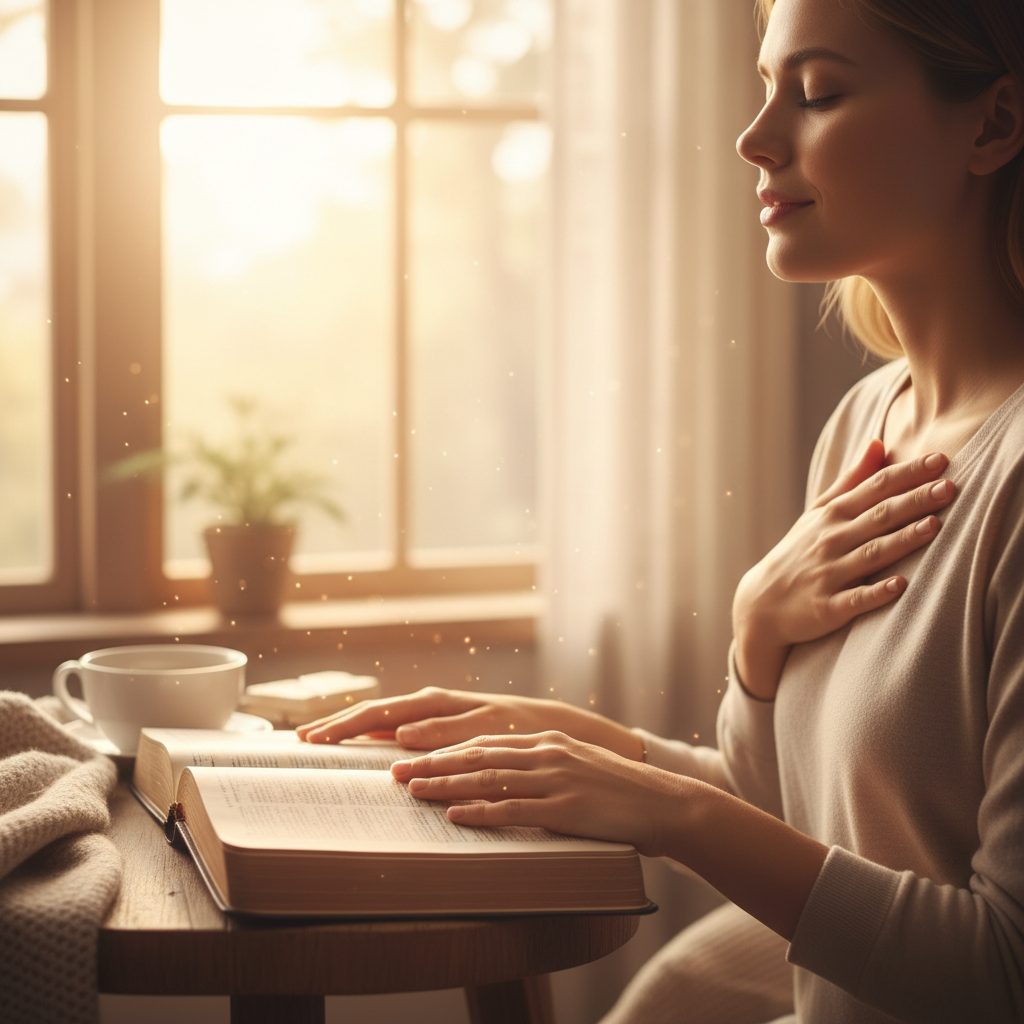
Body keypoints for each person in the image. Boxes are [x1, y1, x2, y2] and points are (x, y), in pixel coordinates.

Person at [298, 0, 1024, 1019]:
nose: (754, 137)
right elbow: (819, 818)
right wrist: (713, 665)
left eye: (817, 93)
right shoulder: (872, 418)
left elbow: (1000, 969)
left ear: (992, 124)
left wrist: (669, 807)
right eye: (766, 88)